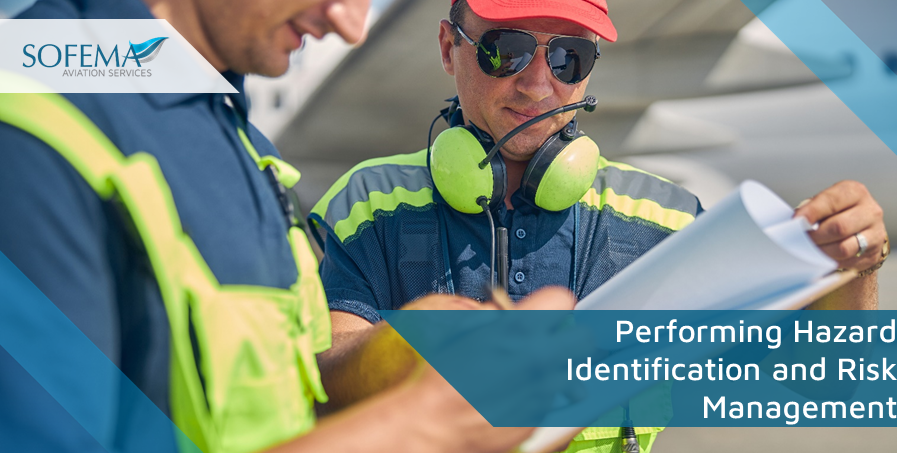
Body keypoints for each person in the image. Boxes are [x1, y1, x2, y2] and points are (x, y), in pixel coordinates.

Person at [0, 0, 588, 452]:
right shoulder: (31, 128)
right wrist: (422, 427)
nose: (351, 23)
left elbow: (282, 407)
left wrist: (395, 356)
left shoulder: (238, 140)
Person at [308, 0, 889, 451]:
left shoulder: (666, 220)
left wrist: (854, 271)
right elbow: (319, 373)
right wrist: (408, 352)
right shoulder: (364, 203)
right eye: (505, 50)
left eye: (567, 58)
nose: (538, 85)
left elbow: (826, 381)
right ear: (446, 45)